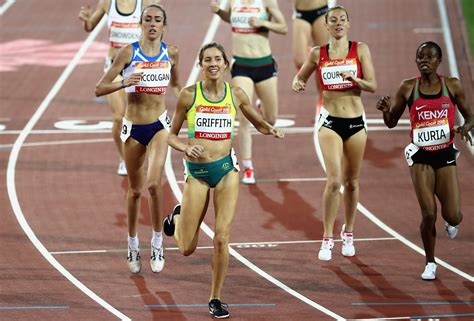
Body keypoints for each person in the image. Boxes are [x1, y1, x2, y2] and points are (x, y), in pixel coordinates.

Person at [164, 42, 284, 318]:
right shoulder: (189, 96)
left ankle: (215, 298)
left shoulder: (236, 94)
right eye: (208, 59)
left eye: (218, 58)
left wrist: (271, 130)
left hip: (226, 171)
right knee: (186, 248)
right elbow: (171, 135)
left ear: (226, 63)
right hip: (196, 174)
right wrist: (185, 147)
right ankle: (177, 218)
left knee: (221, 237)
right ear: (201, 65)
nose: (213, 63)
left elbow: (259, 123)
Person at [376, 41, 473, 280]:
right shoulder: (408, 87)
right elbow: (391, 122)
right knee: (429, 212)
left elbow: (470, 115)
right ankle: (430, 261)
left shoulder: (451, 85)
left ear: (439, 61)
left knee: (453, 214)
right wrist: (385, 110)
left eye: (429, 57)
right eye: (420, 56)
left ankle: (451, 222)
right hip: (420, 155)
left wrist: (466, 127)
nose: (424, 60)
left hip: (445, 154)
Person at [95, 4, 181, 274]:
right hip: (133, 127)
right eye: (148, 19)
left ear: (164, 25)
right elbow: (99, 88)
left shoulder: (173, 52)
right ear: (140, 24)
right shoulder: (128, 52)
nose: (152, 24)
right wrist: (124, 81)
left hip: (159, 126)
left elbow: (176, 84)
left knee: (155, 186)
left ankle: (157, 241)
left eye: (157, 20)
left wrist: (189, 103)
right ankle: (132, 243)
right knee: (134, 191)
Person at [292, 5, 377, 261]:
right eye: (333, 20)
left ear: (348, 24)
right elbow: (300, 77)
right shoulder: (318, 53)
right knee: (334, 181)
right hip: (329, 121)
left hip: (355, 122)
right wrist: (297, 83)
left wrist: (355, 79)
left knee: (351, 182)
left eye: (342, 19)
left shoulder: (360, 49)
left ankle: (348, 232)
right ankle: (327, 237)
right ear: (326, 26)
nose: (338, 23)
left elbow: (373, 85)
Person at [210, 0, 288, 184]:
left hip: (264, 65)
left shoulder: (267, 2)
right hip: (241, 65)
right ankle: (248, 167)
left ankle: (261, 104)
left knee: (270, 120)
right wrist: (220, 12)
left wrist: (264, 23)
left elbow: (283, 27)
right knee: (243, 118)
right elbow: (232, 18)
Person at [79, 0, 159, 175]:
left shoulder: (145, 3)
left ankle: (147, 151)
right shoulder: (108, 3)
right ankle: (124, 158)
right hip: (115, 67)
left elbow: (158, 22)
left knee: (142, 115)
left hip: (138, 68)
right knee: (118, 117)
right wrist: (86, 20)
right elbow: (90, 26)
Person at [292, 0, 329, 108]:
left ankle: (322, 102)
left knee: (322, 61)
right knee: (300, 61)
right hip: (301, 13)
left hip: (320, 11)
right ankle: (312, 55)